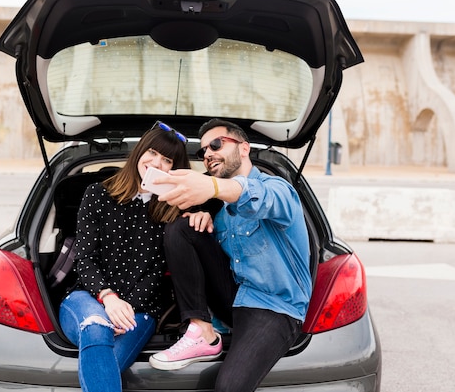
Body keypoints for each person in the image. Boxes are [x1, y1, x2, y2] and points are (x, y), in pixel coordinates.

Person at [148, 119, 313, 392]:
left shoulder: (279, 189)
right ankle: (202, 331)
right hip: (234, 301)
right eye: (203, 151)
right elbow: (211, 262)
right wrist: (202, 219)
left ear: (244, 148)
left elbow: (257, 195)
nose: (208, 154)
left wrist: (212, 187)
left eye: (216, 144)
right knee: (183, 229)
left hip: (274, 307)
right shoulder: (221, 215)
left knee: (229, 387)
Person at [58, 121, 193, 392]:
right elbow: (85, 258)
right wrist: (108, 300)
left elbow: (158, 273)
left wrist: (125, 310)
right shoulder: (97, 194)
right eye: (153, 152)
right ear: (140, 151)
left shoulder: (171, 212)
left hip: (141, 309)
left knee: (100, 368)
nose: (157, 162)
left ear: (174, 170)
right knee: (96, 328)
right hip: (87, 296)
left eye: (167, 160)